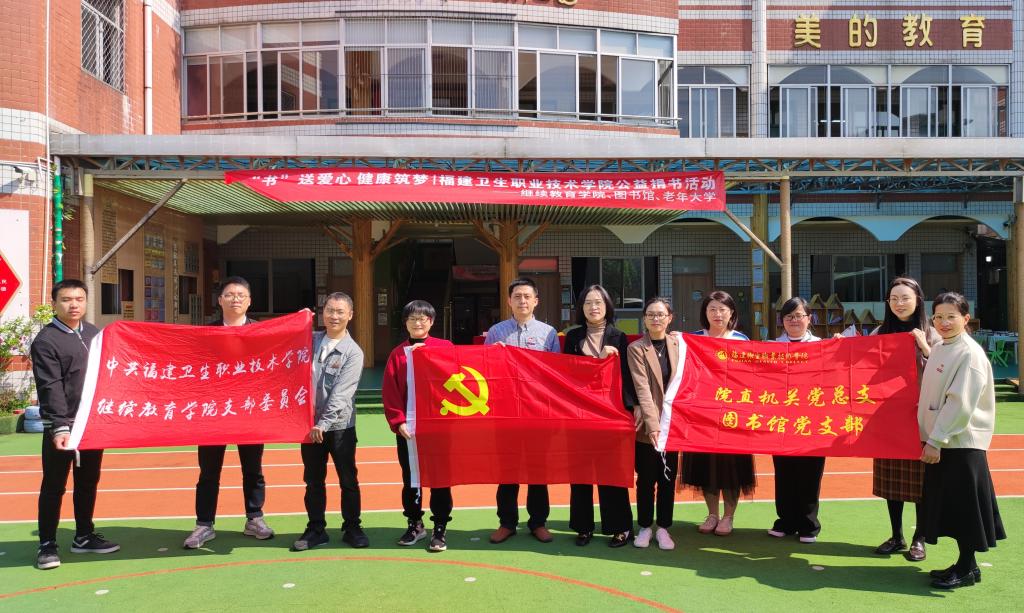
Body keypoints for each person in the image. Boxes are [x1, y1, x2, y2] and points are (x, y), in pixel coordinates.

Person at [919, 292, 1005, 589]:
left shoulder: (969, 353)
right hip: (946, 441)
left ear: (966, 319)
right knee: (954, 507)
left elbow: (960, 404)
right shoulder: (941, 347)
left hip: (960, 443)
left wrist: (936, 440)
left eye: (951, 317)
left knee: (965, 509)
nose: (944, 322)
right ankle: (966, 565)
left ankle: (967, 567)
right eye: (938, 317)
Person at [32, 279, 120, 570]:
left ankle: (83, 536)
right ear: (55, 303)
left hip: (91, 424)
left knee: (88, 481)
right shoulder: (46, 340)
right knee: (54, 485)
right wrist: (59, 426)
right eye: (67, 300)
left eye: (79, 299)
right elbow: (50, 386)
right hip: (64, 426)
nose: (74, 305)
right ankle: (47, 545)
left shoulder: (93, 334)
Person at [184, 276, 273, 549]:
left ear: (249, 301)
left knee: (253, 469)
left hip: (249, 411)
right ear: (220, 300)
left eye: (241, 295)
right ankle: (204, 524)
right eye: (230, 294)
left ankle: (254, 518)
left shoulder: (261, 333)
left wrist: (303, 321)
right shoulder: (205, 334)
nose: (236, 299)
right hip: (214, 413)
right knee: (209, 472)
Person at [870, 277, 941, 562]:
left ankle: (919, 538)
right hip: (888, 418)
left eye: (905, 298)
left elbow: (944, 370)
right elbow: (861, 364)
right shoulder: (879, 332)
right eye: (894, 298)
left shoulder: (932, 333)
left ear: (918, 300)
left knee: (921, 483)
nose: (899, 303)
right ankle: (896, 535)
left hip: (920, 419)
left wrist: (925, 347)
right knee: (892, 482)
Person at [485, 277, 560, 544]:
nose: (522, 301)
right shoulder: (496, 332)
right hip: (506, 412)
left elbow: (555, 373)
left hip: (538, 412)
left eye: (527, 296)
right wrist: (494, 356)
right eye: (517, 296)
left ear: (536, 301)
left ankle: (538, 522)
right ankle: (507, 523)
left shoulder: (549, 333)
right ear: (509, 301)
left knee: (538, 470)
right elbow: (485, 371)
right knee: (508, 470)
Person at [292, 292, 368, 550]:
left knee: (348, 479)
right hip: (309, 425)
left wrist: (322, 424)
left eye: (340, 311)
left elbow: (341, 394)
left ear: (350, 315)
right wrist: (298, 322)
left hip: (339, 427)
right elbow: (282, 342)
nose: (334, 316)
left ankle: (352, 527)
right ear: (322, 313)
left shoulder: (353, 352)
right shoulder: (310, 341)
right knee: (313, 480)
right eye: (329, 310)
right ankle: (316, 529)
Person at [563, 285, 637, 548]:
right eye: (588, 303)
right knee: (580, 473)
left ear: (607, 306)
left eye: (598, 302)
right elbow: (567, 375)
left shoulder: (619, 337)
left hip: (611, 414)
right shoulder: (572, 338)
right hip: (580, 415)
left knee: (612, 472)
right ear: (581, 308)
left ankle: (620, 527)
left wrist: (632, 408)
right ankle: (583, 526)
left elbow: (627, 376)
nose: (593, 307)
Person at [679, 291, 755, 537]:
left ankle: (728, 516)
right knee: (706, 467)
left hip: (732, 416)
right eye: (712, 309)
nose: (717, 314)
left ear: (731, 313)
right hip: (702, 417)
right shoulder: (693, 339)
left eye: (722, 309)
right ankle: (712, 514)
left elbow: (750, 377)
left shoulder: (741, 340)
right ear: (705, 313)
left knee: (732, 469)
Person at [382, 300, 455, 553]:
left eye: (423, 318)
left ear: (431, 322)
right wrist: (398, 421)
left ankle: (440, 527)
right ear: (405, 323)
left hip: (439, 427)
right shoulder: (398, 354)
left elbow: (458, 377)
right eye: (412, 319)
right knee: (411, 477)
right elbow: (390, 392)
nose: (418, 323)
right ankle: (415, 524)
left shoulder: (445, 348)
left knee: (440, 478)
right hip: (409, 430)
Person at [767, 297, 825, 544]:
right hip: (781, 421)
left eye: (799, 315)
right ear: (782, 321)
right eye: (789, 316)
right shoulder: (771, 347)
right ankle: (786, 521)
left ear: (809, 319)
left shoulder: (823, 347)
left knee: (810, 474)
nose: (794, 320)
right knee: (784, 473)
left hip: (812, 422)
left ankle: (809, 525)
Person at [627, 297, 680, 551]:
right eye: (651, 314)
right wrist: (653, 424)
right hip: (648, 427)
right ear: (644, 319)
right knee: (646, 479)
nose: (656, 318)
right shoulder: (636, 348)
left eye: (660, 314)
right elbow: (642, 388)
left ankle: (664, 528)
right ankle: (646, 526)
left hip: (674, 425)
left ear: (670, 318)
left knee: (668, 478)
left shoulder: (680, 345)